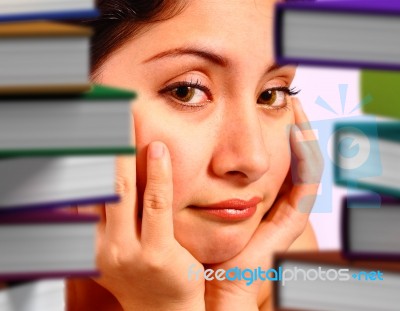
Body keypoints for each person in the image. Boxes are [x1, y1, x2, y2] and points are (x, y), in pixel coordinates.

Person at [67, 0, 323, 310]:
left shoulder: (271, 250)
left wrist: (232, 295)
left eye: (270, 94)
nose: (254, 160)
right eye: (186, 91)